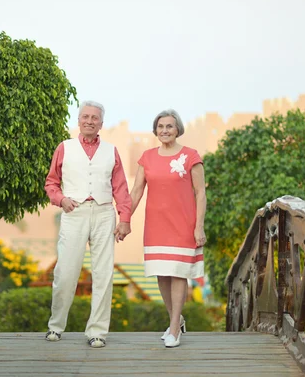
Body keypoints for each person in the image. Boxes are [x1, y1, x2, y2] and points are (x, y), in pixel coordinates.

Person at [44, 100, 132, 348]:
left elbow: (121, 188)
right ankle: (56, 326)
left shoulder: (111, 150)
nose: (89, 121)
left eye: (94, 118)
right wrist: (61, 200)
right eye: (85, 117)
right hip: (74, 211)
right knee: (66, 271)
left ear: (101, 124)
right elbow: (51, 182)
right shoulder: (64, 148)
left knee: (104, 273)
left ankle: (97, 331)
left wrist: (124, 218)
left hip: (104, 212)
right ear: (79, 120)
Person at [129, 109, 206, 348]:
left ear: (177, 129)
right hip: (156, 225)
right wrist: (123, 218)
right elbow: (137, 191)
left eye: (169, 126)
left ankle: (174, 328)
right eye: (160, 126)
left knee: (177, 272)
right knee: (162, 274)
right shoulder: (147, 157)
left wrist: (199, 226)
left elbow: (201, 192)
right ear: (155, 130)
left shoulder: (191, 156)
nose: (165, 130)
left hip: (183, 224)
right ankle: (177, 319)